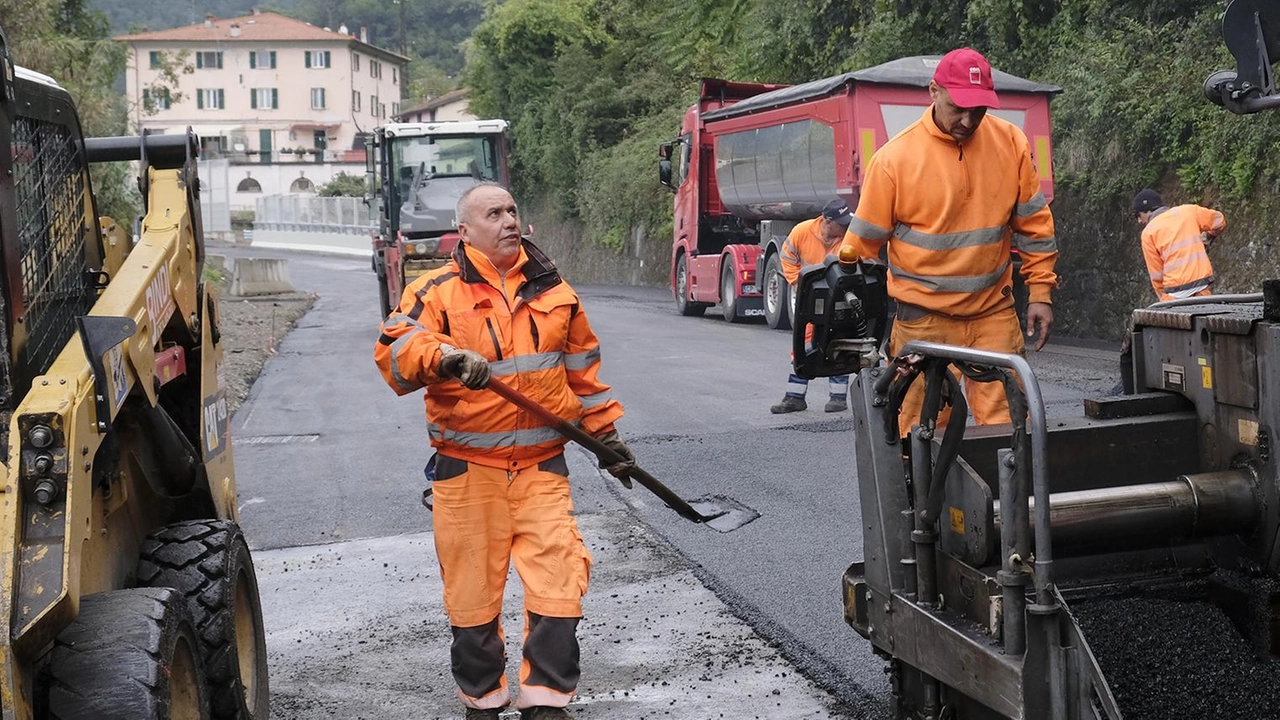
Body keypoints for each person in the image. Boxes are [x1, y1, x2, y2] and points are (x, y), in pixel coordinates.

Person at [374, 182, 635, 720]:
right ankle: (483, 702)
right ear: (465, 232)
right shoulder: (437, 291)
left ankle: (545, 703)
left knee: (560, 587)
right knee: (472, 601)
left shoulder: (554, 290)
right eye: (494, 213)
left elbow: (584, 375)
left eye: (513, 210)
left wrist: (606, 438)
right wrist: (444, 358)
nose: (509, 220)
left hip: (543, 468)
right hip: (468, 475)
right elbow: (395, 350)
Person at [840, 47, 1059, 436]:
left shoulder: (1011, 144)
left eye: (979, 109)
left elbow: (1034, 226)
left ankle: (1007, 498)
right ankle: (925, 497)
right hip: (923, 321)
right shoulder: (895, 160)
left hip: (992, 313)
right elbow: (859, 251)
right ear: (933, 92)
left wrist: (1040, 292)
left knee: (1011, 431)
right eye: (959, 106)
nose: (969, 119)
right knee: (922, 432)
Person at [771, 198, 855, 414]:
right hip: (812, 298)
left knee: (838, 343)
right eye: (842, 223)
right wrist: (798, 283)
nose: (846, 227)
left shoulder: (849, 237)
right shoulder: (802, 232)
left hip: (839, 298)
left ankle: (838, 398)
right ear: (827, 221)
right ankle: (795, 398)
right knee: (804, 345)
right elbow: (787, 256)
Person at [1131, 188, 1224, 302]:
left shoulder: (1148, 233)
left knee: (1175, 319)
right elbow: (1219, 221)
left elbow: (1156, 274)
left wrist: (1162, 299)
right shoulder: (1188, 211)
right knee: (1205, 317)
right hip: (1201, 286)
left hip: (1173, 293)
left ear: (1147, 210)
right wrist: (1208, 237)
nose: (1139, 221)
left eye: (1138, 215)